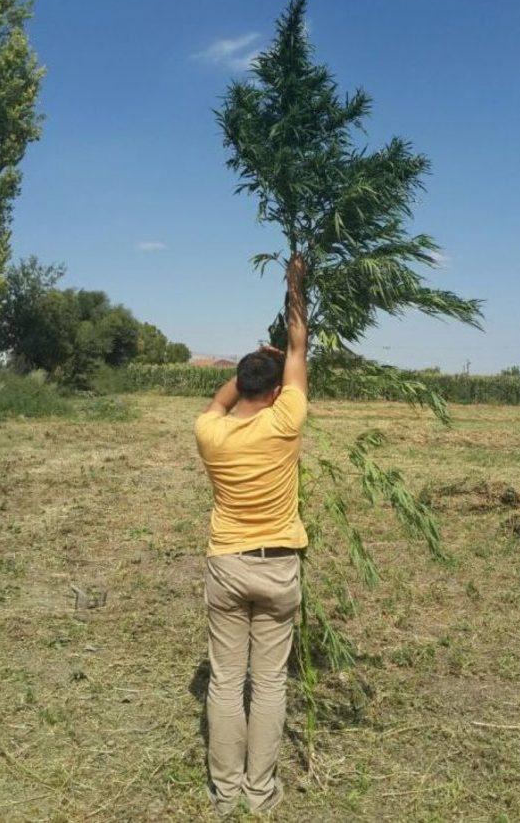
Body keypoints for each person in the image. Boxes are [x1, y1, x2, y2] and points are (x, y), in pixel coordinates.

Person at [194, 253, 308, 816]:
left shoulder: (210, 432)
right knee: (268, 685)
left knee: (223, 682)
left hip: (228, 565)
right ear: (274, 392)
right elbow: (298, 351)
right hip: (279, 566)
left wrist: (241, 372)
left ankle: (225, 791)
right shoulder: (286, 423)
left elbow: (219, 401)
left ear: (241, 387)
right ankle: (260, 794)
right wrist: (295, 289)